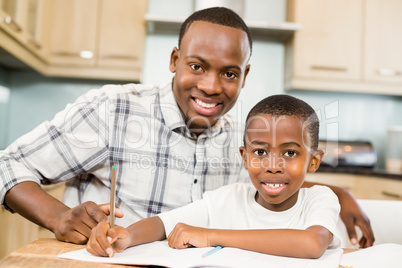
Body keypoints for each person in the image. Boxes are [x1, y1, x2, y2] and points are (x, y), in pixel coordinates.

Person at [0, 7, 373, 248]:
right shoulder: (112, 109)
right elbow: (8, 165)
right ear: (175, 60)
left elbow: (271, 177)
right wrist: (58, 216)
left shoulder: (242, 139)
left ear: (244, 77)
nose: (211, 86)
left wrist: (335, 193)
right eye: (197, 66)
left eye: (228, 73)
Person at [87, 94, 342, 259]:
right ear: (244, 156)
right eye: (260, 151)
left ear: (314, 161)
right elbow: (162, 224)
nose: (273, 166)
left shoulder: (319, 199)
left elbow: (311, 244)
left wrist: (210, 235)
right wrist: (127, 236)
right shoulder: (229, 198)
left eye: (289, 152)